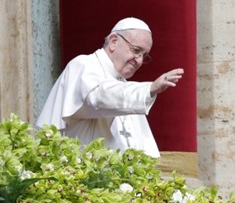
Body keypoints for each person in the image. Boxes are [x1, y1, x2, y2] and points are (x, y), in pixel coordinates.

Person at [36, 17, 184, 158]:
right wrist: (149, 89)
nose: (139, 60)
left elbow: (145, 150)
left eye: (144, 55)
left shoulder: (126, 87)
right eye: (136, 50)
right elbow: (98, 97)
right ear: (113, 41)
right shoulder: (83, 65)